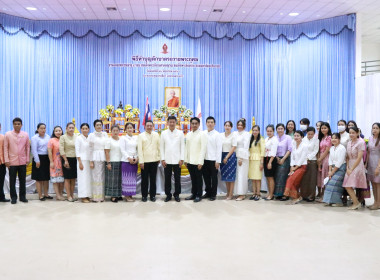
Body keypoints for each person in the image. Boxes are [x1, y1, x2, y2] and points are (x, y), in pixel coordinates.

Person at [4, 118, 30, 204]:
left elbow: (27, 148)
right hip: (12, 161)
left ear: (21, 125)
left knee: (23, 180)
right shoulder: (8, 134)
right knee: (12, 181)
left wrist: (27, 159)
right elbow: (5, 148)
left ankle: (22, 197)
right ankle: (13, 197)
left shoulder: (25, 134)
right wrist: (6, 160)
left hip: (22, 161)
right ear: (13, 125)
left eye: (19, 124)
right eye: (15, 124)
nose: (17, 125)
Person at [160, 116, 184, 202]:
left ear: (176, 123)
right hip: (167, 160)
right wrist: (162, 159)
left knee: (177, 178)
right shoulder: (164, 133)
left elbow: (182, 147)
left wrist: (182, 159)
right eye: (170, 122)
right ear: (167, 123)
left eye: (173, 122)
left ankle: (177, 194)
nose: (172, 123)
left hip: (178, 160)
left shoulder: (180, 133)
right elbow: (161, 147)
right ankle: (168, 195)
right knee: (167, 178)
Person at [343, 126, 367, 210]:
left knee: (349, 185)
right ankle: (356, 202)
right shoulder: (349, 142)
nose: (351, 134)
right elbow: (347, 157)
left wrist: (351, 169)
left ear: (357, 133)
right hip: (349, 165)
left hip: (357, 165)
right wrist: (347, 168)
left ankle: (356, 203)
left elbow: (359, 158)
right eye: (350, 133)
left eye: (353, 133)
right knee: (347, 185)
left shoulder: (360, 142)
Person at [184, 117, 207, 203]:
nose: (194, 125)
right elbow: (186, 148)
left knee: (198, 179)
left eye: (196, 123)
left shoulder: (202, 134)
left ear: (199, 124)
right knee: (193, 179)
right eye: (192, 123)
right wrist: (186, 160)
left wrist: (200, 162)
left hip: (198, 162)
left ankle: (198, 195)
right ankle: (193, 194)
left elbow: (203, 149)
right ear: (190, 124)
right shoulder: (188, 134)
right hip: (190, 161)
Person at [283, 130, 308, 204]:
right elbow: (292, 157)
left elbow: (302, 158)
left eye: (298, 136)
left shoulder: (304, 146)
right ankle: (297, 197)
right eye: (295, 136)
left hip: (302, 166)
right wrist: (291, 166)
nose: (296, 137)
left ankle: (296, 197)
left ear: (302, 137)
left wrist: (295, 167)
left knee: (291, 179)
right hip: (294, 166)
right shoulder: (293, 145)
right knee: (294, 182)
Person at [138, 120, 160, 202]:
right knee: (144, 180)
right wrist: (141, 161)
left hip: (154, 160)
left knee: (153, 179)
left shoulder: (156, 134)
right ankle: (144, 196)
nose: (149, 127)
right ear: (145, 126)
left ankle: (152, 195)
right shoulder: (141, 136)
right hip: (145, 161)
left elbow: (159, 147)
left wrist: (158, 158)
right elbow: (140, 150)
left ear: (153, 126)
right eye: (148, 125)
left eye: (151, 125)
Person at [323, 133, 346, 207]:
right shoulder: (332, 148)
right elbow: (330, 160)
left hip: (341, 168)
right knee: (328, 181)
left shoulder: (342, 148)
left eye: (336, 138)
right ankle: (329, 201)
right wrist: (329, 171)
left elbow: (339, 162)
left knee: (334, 182)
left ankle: (338, 202)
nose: (334, 140)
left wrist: (332, 172)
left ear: (339, 139)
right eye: (332, 138)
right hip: (333, 168)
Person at [202, 116, 222, 201]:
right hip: (204, 159)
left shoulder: (217, 134)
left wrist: (218, 161)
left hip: (214, 160)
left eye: (211, 122)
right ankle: (208, 192)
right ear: (206, 123)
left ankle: (213, 194)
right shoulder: (203, 133)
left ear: (214, 124)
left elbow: (219, 148)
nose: (210, 124)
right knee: (206, 177)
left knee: (213, 178)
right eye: (208, 122)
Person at [89, 119, 108, 202]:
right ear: (94, 126)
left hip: (103, 157)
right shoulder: (91, 135)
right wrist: (91, 161)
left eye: (100, 125)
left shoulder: (105, 134)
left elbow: (107, 146)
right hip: (95, 157)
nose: (99, 126)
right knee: (96, 177)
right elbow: (90, 149)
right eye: (97, 125)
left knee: (102, 177)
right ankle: (96, 196)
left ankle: (101, 196)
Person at [31, 123, 51, 201]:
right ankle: (40, 195)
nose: (43, 130)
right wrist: (37, 160)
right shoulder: (34, 138)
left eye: (44, 128)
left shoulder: (48, 137)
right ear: (38, 129)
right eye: (41, 128)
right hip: (38, 158)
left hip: (47, 158)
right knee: (39, 178)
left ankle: (46, 194)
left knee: (46, 178)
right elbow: (34, 150)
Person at [299, 127, 319, 201]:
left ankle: (311, 196)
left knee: (312, 179)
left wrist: (308, 158)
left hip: (312, 161)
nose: (310, 135)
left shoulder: (316, 140)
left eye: (312, 134)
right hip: (303, 161)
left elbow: (315, 150)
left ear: (314, 134)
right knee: (304, 179)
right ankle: (304, 195)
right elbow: (302, 149)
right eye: (309, 134)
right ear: (306, 133)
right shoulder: (303, 139)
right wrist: (305, 158)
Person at [59, 122, 77, 202]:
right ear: (66, 128)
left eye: (72, 128)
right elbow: (61, 149)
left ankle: (72, 195)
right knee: (67, 178)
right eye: (69, 127)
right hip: (66, 159)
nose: (71, 129)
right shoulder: (63, 137)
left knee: (73, 178)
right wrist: (65, 160)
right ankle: (68, 196)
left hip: (75, 159)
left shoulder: (77, 137)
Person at [120, 123, 138, 202]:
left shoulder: (136, 138)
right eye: (128, 128)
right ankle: (126, 195)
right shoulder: (123, 138)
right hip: (126, 160)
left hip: (134, 161)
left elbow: (137, 149)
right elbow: (122, 150)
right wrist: (128, 158)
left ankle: (130, 194)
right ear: (125, 129)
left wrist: (137, 157)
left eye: (131, 128)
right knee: (126, 178)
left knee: (132, 179)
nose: (130, 129)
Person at [274, 123, 292, 200]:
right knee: (277, 177)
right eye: (278, 128)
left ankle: (285, 194)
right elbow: (273, 149)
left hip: (285, 158)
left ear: (284, 129)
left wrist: (283, 159)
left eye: (281, 128)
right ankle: (278, 194)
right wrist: (277, 158)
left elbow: (290, 149)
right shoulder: (275, 138)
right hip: (276, 159)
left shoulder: (288, 137)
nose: (280, 130)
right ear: (276, 130)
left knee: (283, 177)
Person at [234, 118, 251, 201]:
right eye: (238, 125)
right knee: (237, 175)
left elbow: (246, 147)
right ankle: (238, 192)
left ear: (244, 126)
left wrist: (241, 158)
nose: (239, 126)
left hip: (243, 157)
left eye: (241, 125)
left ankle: (242, 194)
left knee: (242, 175)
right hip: (235, 155)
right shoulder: (235, 133)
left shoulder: (247, 134)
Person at [105, 125, 122, 202]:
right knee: (112, 180)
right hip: (112, 161)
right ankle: (113, 195)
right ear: (111, 131)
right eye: (114, 130)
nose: (115, 132)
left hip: (120, 161)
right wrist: (108, 163)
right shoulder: (108, 140)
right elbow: (107, 152)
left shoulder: (121, 140)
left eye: (117, 130)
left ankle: (118, 194)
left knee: (119, 180)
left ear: (119, 131)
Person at [220, 121, 237, 200]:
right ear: (224, 126)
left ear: (231, 127)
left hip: (230, 156)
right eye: (226, 125)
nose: (227, 127)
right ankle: (227, 192)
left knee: (231, 176)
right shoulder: (221, 135)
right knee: (226, 176)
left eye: (229, 126)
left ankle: (231, 193)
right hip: (222, 156)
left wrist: (227, 157)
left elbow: (234, 147)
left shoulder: (233, 136)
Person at [75, 123, 92, 203]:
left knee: (88, 179)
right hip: (82, 161)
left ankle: (88, 195)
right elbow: (77, 151)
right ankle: (83, 196)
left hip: (89, 161)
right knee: (82, 179)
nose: (85, 130)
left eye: (86, 128)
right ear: (81, 129)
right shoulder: (78, 138)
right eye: (83, 129)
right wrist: (80, 162)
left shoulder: (90, 138)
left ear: (88, 129)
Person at [48, 126, 65, 200]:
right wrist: (51, 162)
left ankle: (61, 194)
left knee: (62, 180)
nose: (58, 132)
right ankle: (57, 195)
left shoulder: (64, 139)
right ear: (54, 132)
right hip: (55, 162)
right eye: (56, 131)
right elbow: (49, 152)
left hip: (63, 162)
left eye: (59, 130)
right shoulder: (51, 140)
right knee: (55, 180)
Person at [248, 125, 265, 200]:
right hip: (251, 160)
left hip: (258, 160)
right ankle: (254, 193)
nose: (254, 132)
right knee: (253, 178)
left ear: (259, 131)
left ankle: (258, 193)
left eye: (256, 130)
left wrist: (261, 163)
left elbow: (262, 152)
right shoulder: (250, 139)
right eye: (253, 130)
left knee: (258, 178)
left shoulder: (261, 139)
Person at [316, 122, 332, 202]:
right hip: (320, 158)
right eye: (322, 128)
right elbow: (318, 149)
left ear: (328, 128)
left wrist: (320, 159)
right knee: (320, 176)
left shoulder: (329, 137)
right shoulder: (321, 138)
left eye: (325, 128)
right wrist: (318, 159)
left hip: (326, 158)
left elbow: (327, 150)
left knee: (325, 176)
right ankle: (321, 194)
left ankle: (325, 196)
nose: (323, 129)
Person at [366, 123, 380, 210]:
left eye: (376, 128)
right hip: (370, 163)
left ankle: (378, 203)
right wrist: (366, 163)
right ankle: (375, 202)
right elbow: (368, 152)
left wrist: (378, 167)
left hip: (377, 163)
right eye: (373, 128)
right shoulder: (370, 138)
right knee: (373, 184)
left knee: (378, 184)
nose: (374, 130)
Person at [264, 124, 278, 200]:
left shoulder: (275, 139)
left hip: (271, 159)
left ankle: (271, 194)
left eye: (270, 131)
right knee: (267, 177)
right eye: (268, 131)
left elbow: (273, 152)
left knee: (271, 177)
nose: (269, 132)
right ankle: (269, 193)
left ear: (273, 131)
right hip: (265, 158)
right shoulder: (266, 139)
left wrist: (270, 162)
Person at [0, 123, 10, 202]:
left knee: (1, 181)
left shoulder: (3, 137)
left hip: (2, 163)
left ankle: (1, 197)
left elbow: (6, 150)